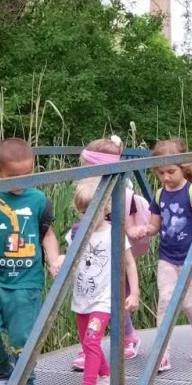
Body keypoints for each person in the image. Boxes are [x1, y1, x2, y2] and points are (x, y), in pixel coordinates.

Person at [0, 137, 63, 385]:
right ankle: (4, 371)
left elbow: (47, 235)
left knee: (22, 337)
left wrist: (53, 260)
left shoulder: (38, 199)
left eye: (27, 174)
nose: (21, 181)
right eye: (13, 176)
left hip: (26, 282)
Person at [128, 138, 192, 371]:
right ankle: (162, 353)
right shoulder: (159, 195)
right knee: (165, 302)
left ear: (183, 167)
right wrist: (144, 230)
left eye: (171, 172)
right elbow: (155, 226)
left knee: (186, 303)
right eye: (160, 173)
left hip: (191, 259)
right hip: (166, 257)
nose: (166, 177)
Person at [69, 178, 140, 385]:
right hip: (82, 297)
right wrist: (57, 262)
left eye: (94, 211)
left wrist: (134, 293)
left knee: (91, 341)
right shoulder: (76, 233)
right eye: (83, 212)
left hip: (104, 297)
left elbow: (129, 263)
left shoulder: (114, 233)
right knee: (86, 342)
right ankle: (105, 376)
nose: (88, 217)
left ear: (105, 208)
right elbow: (69, 258)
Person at [73, 135, 143, 366]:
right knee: (89, 298)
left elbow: (127, 223)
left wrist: (133, 231)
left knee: (118, 298)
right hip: (95, 252)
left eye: (88, 167)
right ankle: (87, 346)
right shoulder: (86, 189)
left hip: (115, 252)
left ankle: (128, 337)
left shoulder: (120, 191)